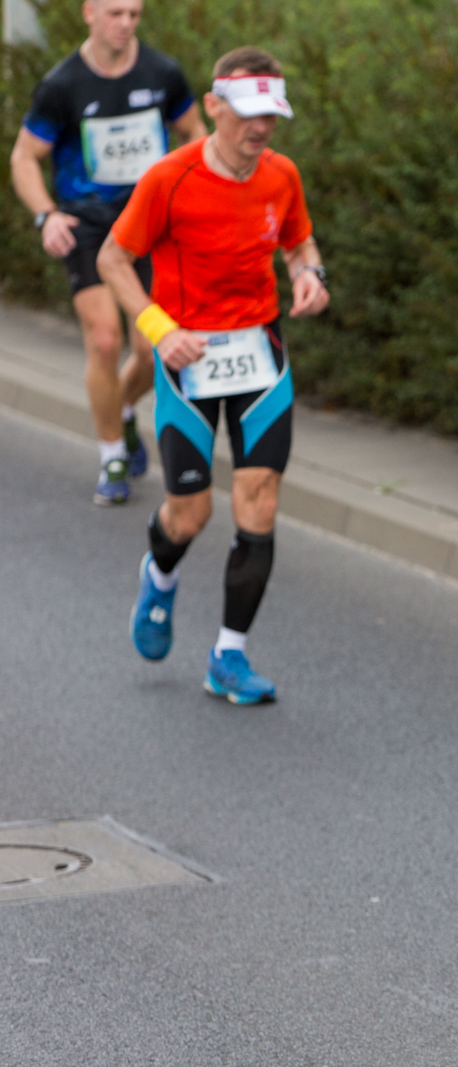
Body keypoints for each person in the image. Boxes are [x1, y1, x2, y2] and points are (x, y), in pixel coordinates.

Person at [97, 46, 328, 704]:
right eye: (249, 115)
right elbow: (115, 258)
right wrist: (158, 331)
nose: (261, 129)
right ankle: (160, 575)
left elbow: (299, 240)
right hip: (186, 357)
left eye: (272, 116)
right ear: (214, 107)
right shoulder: (169, 179)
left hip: (260, 352)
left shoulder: (281, 174)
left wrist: (309, 273)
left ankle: (229, 655)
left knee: (260, 501)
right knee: (189, 512)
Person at [9, 0, 206, 505]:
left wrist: (193, 191)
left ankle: (118, 407)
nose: (125, 24)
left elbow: (195, 132)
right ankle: (112, 454)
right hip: (89, 225)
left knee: (148, 349)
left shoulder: (162, 73)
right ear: (89, 13)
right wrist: (46, 214)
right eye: (115, 13)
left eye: (135, 14)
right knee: (103, 340)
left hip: (150, 225)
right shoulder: (62, 85)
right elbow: (25, 156)